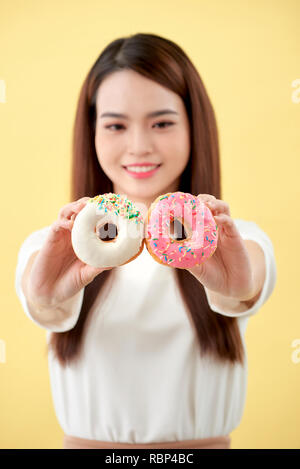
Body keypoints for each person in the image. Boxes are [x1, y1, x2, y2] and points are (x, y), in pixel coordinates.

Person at [15, 33, 277, 449]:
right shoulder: (57, 247)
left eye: (162, 122)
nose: (139, 146)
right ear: (92, 133)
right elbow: (39, 292)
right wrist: (45, 297)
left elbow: (249, 279)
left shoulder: (233, 240)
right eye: (116, 125)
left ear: (195, 126)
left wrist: (239, 287)